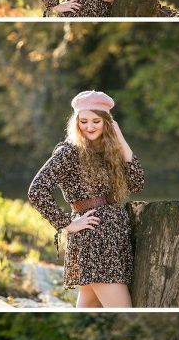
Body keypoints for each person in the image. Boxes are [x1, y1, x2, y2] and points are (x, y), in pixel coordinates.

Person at [28, 90, 145, 308]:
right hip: (94, 239)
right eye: (83, 121)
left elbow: (137, 183)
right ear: (76, 122)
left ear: (107, 123)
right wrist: (67, 224)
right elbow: (37, 190)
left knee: (88, 307)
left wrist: (120, 140)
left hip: (115, 236)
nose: (89, 127)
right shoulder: (69, 152)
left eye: (96, 121)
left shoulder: (110, 151)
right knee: (122, 311)